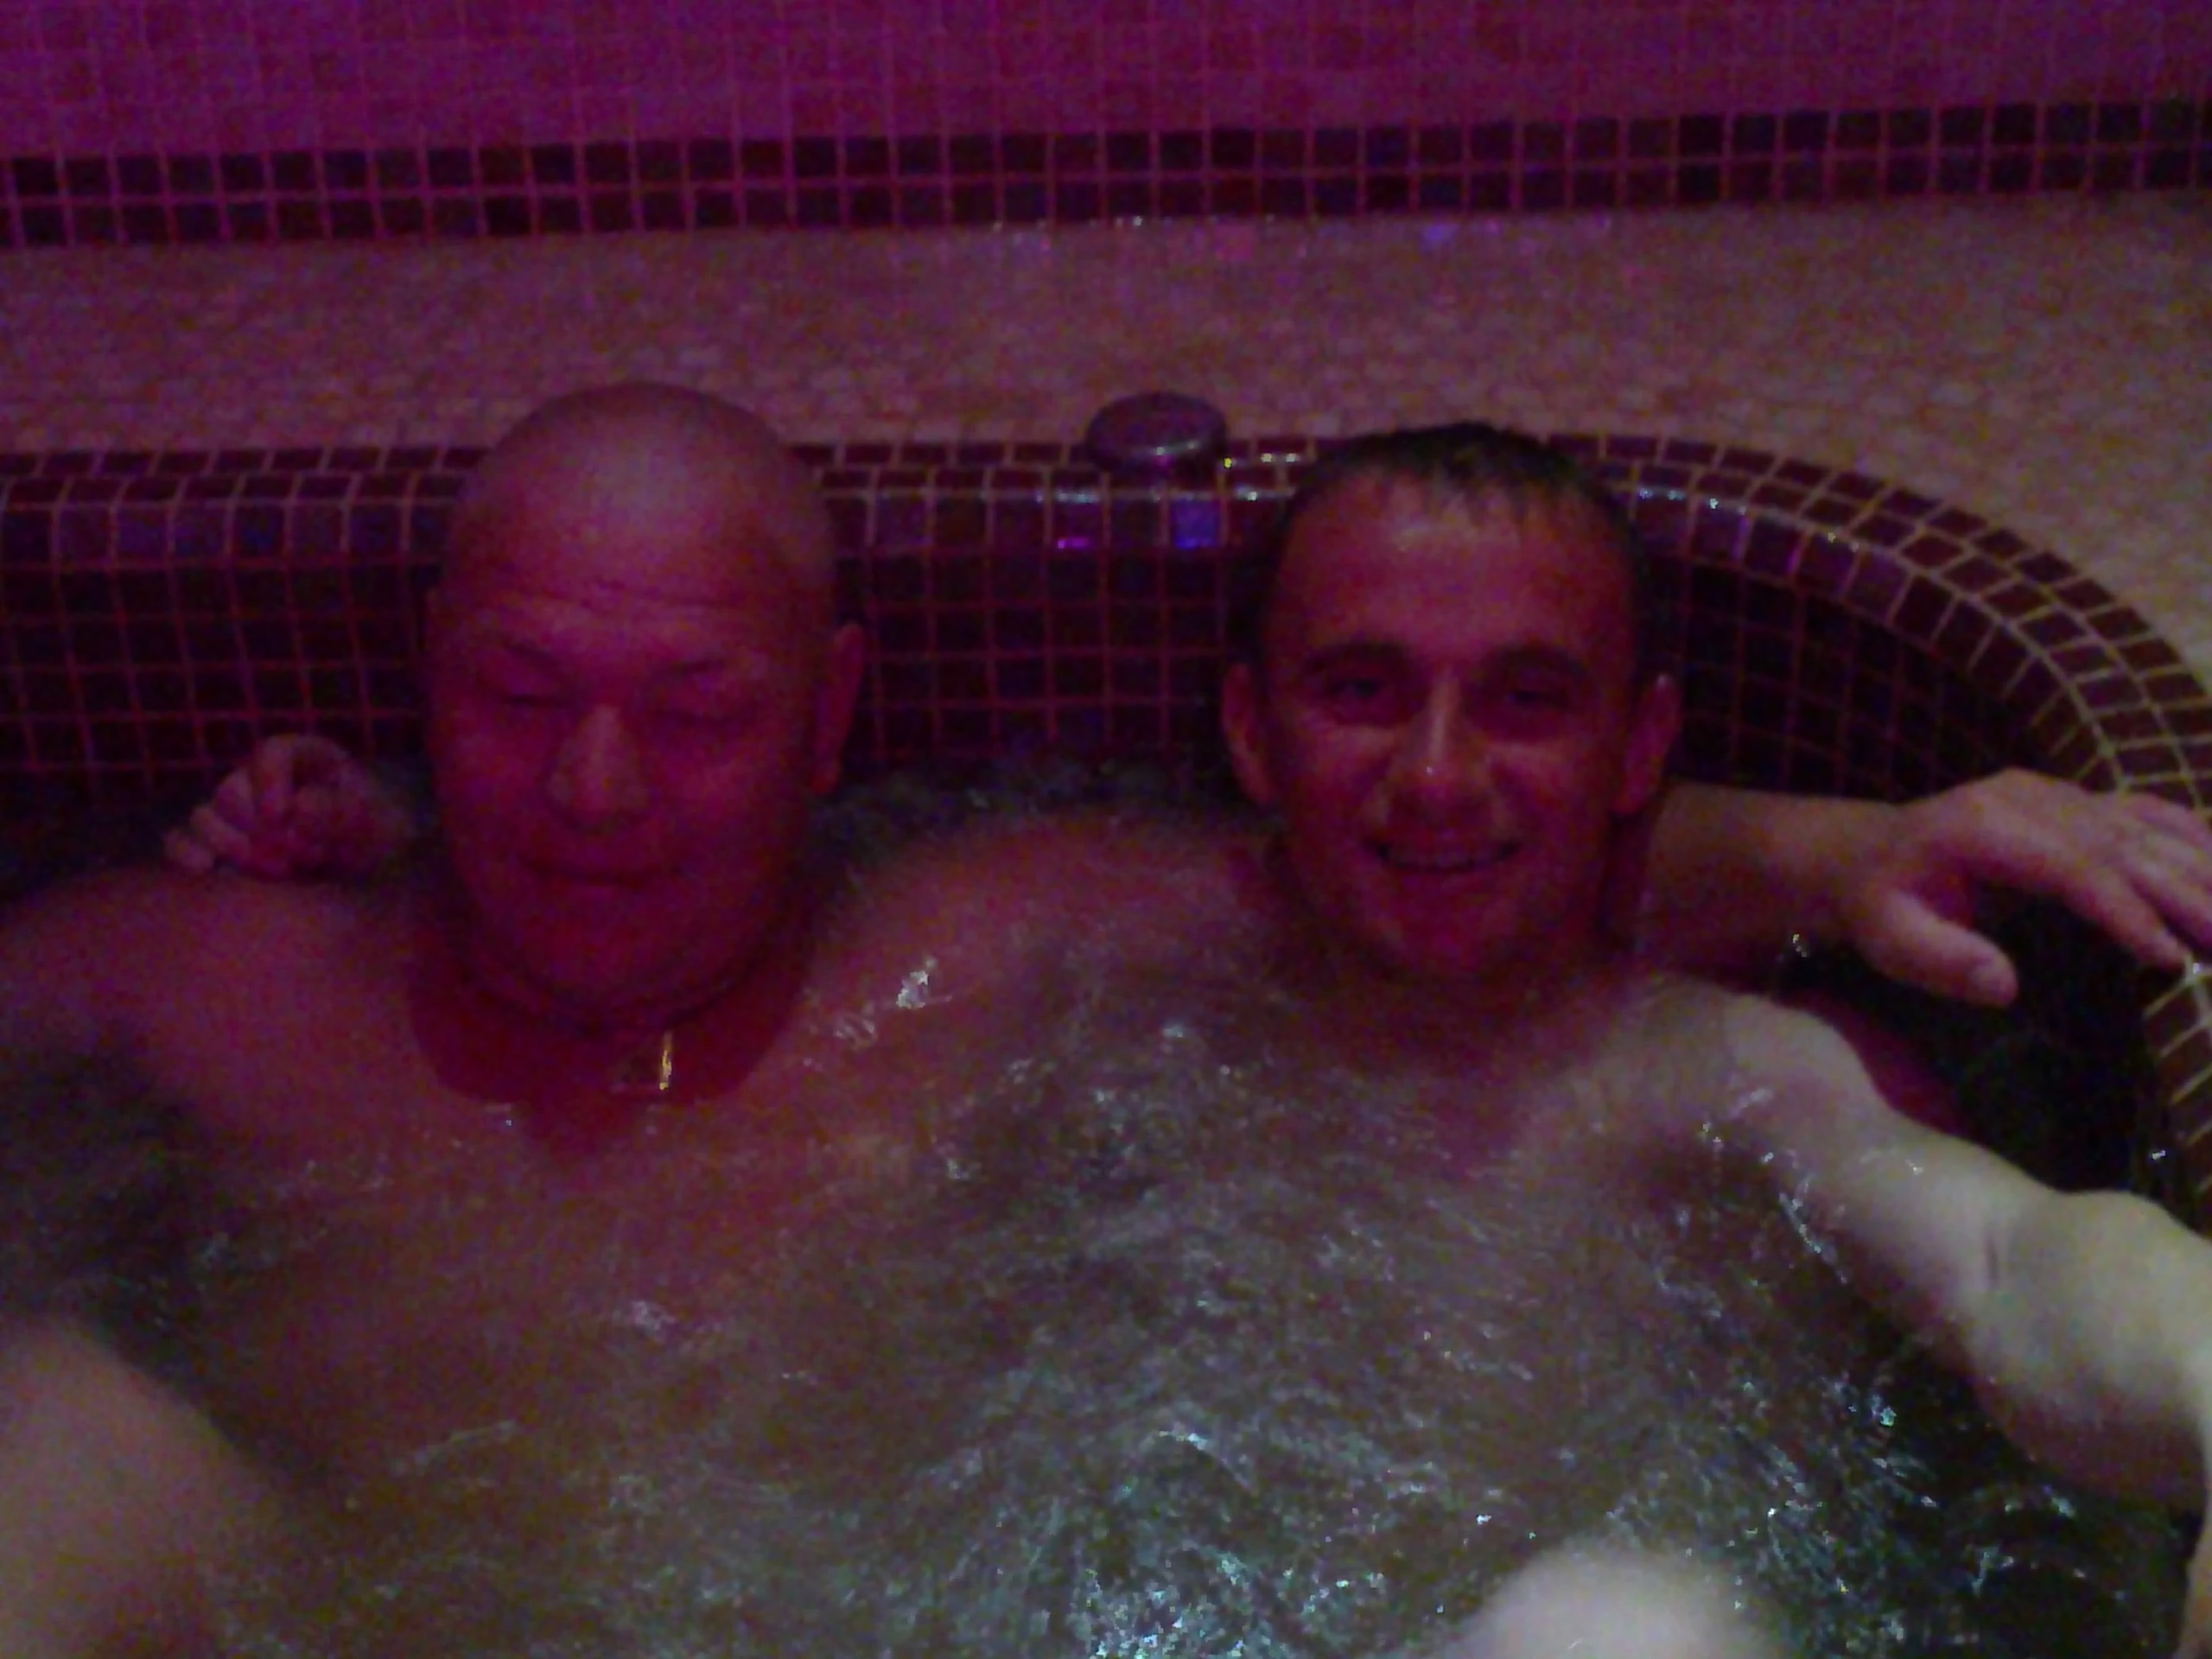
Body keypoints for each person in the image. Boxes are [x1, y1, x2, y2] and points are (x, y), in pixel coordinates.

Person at [6, 387, 2210, 1651]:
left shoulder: (974, 947)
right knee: (55, 1430)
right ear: (422, 684)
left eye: (690, 710)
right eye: (516, 697)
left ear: (826, 724)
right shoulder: (187, 974)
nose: (595, 788)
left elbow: (1414, 864)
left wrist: (1833, 847)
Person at [1197, 423, 2212, 1655]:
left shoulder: (1728, 1077)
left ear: (1639, 748)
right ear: (1251, 729)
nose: (1437, 777)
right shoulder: (1122, 1002)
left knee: (1619, 1625)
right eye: (1363, 691)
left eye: (1527, 702)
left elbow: (2006, 1263)